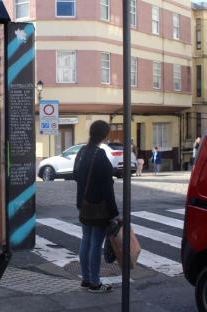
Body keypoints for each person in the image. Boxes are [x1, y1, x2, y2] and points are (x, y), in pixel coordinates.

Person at [73, 120, 119, 293]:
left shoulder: (82, 151)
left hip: (83, 205)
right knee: (95, 244)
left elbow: (76, 175)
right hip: (99, 208)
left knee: (86, 240)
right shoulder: (100, 156)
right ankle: (94, 282)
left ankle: (86, 278)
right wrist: (114, 212)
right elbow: (108, 189)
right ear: (105, 136)